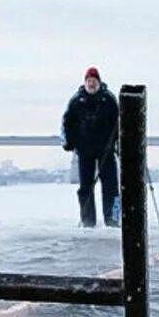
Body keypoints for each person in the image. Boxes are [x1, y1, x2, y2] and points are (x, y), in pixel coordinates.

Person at [62, 67, 121, 228]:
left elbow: (119, 124)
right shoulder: (76, 101)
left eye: (94, 81)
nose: (91, 84)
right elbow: (67, 123)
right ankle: (88, 221)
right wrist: (68, 142)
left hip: (106, 150)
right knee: (85, 188)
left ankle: (113, 220)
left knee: (111, 187)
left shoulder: (109, 99)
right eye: (89, 81)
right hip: (84, 151)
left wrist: (119, 144)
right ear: (85, 82)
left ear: (99, 82)